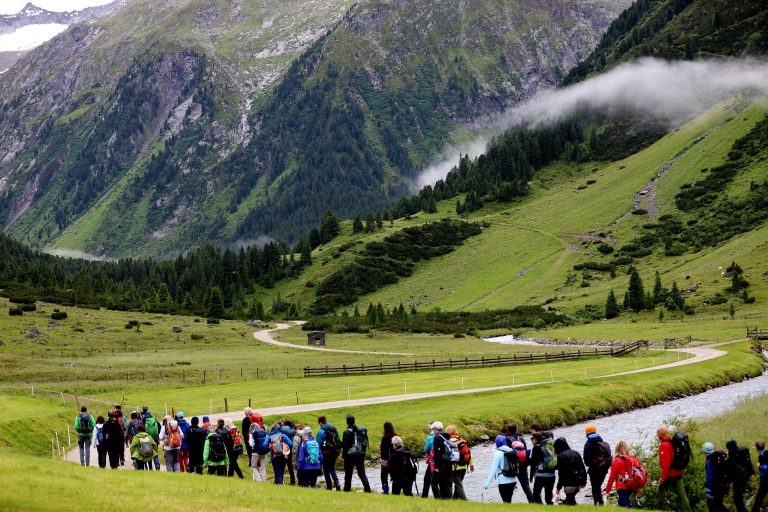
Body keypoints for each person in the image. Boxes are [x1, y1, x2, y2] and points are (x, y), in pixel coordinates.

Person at [657, 426, 691, 512]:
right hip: (679, 472)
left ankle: (657, 509)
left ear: (661, 434)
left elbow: (666, 464)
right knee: (682, 495)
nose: (657, 436)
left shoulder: (664, 446)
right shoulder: (673, 442)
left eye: (657, 434)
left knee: (661, 493)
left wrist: (662, 478)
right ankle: (687, 510)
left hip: (670, 474)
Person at [483, 434, 519, 502]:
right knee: (508, 501)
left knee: (505, 502)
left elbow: (493, 470)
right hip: (513, 480)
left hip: (503, 481)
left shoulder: (497, 453)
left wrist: (487, 484)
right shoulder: (512, 451)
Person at [583, 425, 612, 506]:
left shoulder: (588, 444)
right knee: (598, 486)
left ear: (587, 433)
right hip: (604, 468)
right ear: (595, 432)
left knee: (595, 487)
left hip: (594, 469)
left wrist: (591, 464)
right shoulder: (603, 442)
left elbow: (586, 459)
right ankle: (600, 503)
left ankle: (597, 503)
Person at [554, 437, 587, 505]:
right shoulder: (576, 453)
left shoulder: (560, 456)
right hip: (578, 480)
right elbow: (583, 468)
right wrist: (584, 481)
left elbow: (561, 473)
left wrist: (558, 487)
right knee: (570, 499)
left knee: (570, 500)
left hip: (569, 482)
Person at [342, 414, 371, 492]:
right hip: (360, 454)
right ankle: (367, 489)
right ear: (354, 421)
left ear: (347, 422)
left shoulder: (346, 432)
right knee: (361, 472)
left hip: (350, 456)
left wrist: (344, 456)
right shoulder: (360, 430)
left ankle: (347, 490)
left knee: (348, 474)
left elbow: (345, 447)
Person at [507, 423, 533, 502]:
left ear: (508, 430)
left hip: (512, 467)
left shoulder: (507, 440)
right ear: (516, 429)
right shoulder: (521, 439)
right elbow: (525, 452)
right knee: (526, 487)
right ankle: (532, 502)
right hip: (522, 466)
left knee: (509, 488)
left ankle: (507, 505)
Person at [605, 440, 635, 508]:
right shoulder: (632, 458)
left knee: (626, 506)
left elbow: (612, 477)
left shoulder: (617, 460)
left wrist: (607, 490)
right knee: (621, 505)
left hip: (622, 486)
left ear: (617, 449)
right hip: (631, 484)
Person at [447, 425, 473, 500]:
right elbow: (469, 453)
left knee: (458, 485)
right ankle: (455, 500)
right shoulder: (462, 440)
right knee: (458, 484)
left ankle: (464, 500)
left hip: (455, 467)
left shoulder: (448, 441)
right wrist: (472, 465)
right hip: (464, 466)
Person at [726, 439, 754, 512]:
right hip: (746, 477)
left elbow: (729, 471)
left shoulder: (732, 457)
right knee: (745, 495)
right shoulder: (743, 451)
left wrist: (728, 481)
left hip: (738, 480)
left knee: (737, 499)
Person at [529, 432, 557, 504]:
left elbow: (533, 464)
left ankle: (540, 508)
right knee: (548, 496)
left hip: (541, 475)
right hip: (552, 475)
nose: (532, 440)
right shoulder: (551, 446)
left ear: (535, 439)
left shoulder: (536, 447)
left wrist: (531, 476)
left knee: (536, 494)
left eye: (533, 439)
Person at [317, 416, 342, 491]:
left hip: (325, 453)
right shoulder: (333, 429)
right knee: (332, 468)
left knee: (326, 470)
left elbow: (318, 444)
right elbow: (338, 441)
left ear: (321, 423)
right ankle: (337, 483)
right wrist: (337, 453)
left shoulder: (321, 432)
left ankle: (329, 486)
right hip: (333, 453)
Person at [703, 442, 729, 512]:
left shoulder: (709, 462)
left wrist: (709, 490)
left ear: (704, 452)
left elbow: (709, 477)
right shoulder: (719, 458)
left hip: (713, 489)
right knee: (719, 504)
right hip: (722, 485)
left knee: (713, 506)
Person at [431, 421, 454, 499]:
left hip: (441, 463)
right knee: (446, 483)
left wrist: (436, 467)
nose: (432, 431)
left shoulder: (437, 437)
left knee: (434, 483)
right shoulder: (446, 436)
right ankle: (448, 499)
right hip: (449, 461)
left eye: (433, 429)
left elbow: (437, 453)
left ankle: (439, 499)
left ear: (435, 429)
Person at [248, 413, 269, 482]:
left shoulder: (252, 434)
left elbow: (251, 444)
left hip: (255, 452)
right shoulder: (263, 432)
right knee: (263, 467)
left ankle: (259, 480)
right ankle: (264, 481)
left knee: (253, 466)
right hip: (264, 451)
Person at [752, 440, 768, 512]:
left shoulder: (762, 456)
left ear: (757, 448)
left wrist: (759, 466)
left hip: (766, 480)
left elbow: (766, 468)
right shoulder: (766, 452)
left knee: (759, 497)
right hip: (765, 478)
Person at [380, 422, 397, 495]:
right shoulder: (395, 436)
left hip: (385, 460)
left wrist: (383, 460)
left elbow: (382, 450)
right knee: (394, 477)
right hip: (394, 460)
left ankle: (385, 491)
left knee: (384, 477)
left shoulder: (384, 438)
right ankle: (395, 491)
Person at [422, 423, 435, 498]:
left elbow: (426, 449)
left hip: (433, 460)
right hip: (443, 459)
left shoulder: (430, 437)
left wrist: (425, 452)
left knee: (427, 478)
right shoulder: (443, 435)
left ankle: (424, 495)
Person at [283, 420, 297, 485]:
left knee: (283, 465)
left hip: (286, 448)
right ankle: (293, 481)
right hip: (293, 449)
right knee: (291, 466)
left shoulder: (283, 429)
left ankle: (280, 480)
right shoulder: (293, 430)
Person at [289, 422, 302, 486]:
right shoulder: (306, 435)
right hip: (306, 458)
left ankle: (300, 484)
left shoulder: (296, 438)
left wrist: (293, 460)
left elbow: (294, 450)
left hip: (298, 458)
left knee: (298, 472)